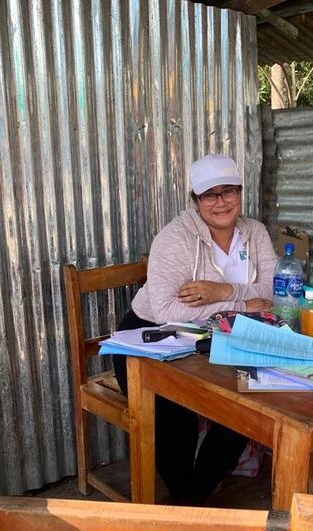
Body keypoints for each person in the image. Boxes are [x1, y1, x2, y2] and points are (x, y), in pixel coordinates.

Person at [112, 153, 278, 505]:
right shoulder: (175, 238)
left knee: (249, 398)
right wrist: (242, 304)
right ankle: (191, 498)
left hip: (217, 336)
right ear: (195, 199)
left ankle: (190, 500)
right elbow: (167, 310)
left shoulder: (255, 232)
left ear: (240, 192)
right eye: (209, 195)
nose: (221, 202)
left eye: (228, 191)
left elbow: (272, 291)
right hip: (151, 337)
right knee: (176, 413)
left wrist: (222, 292)